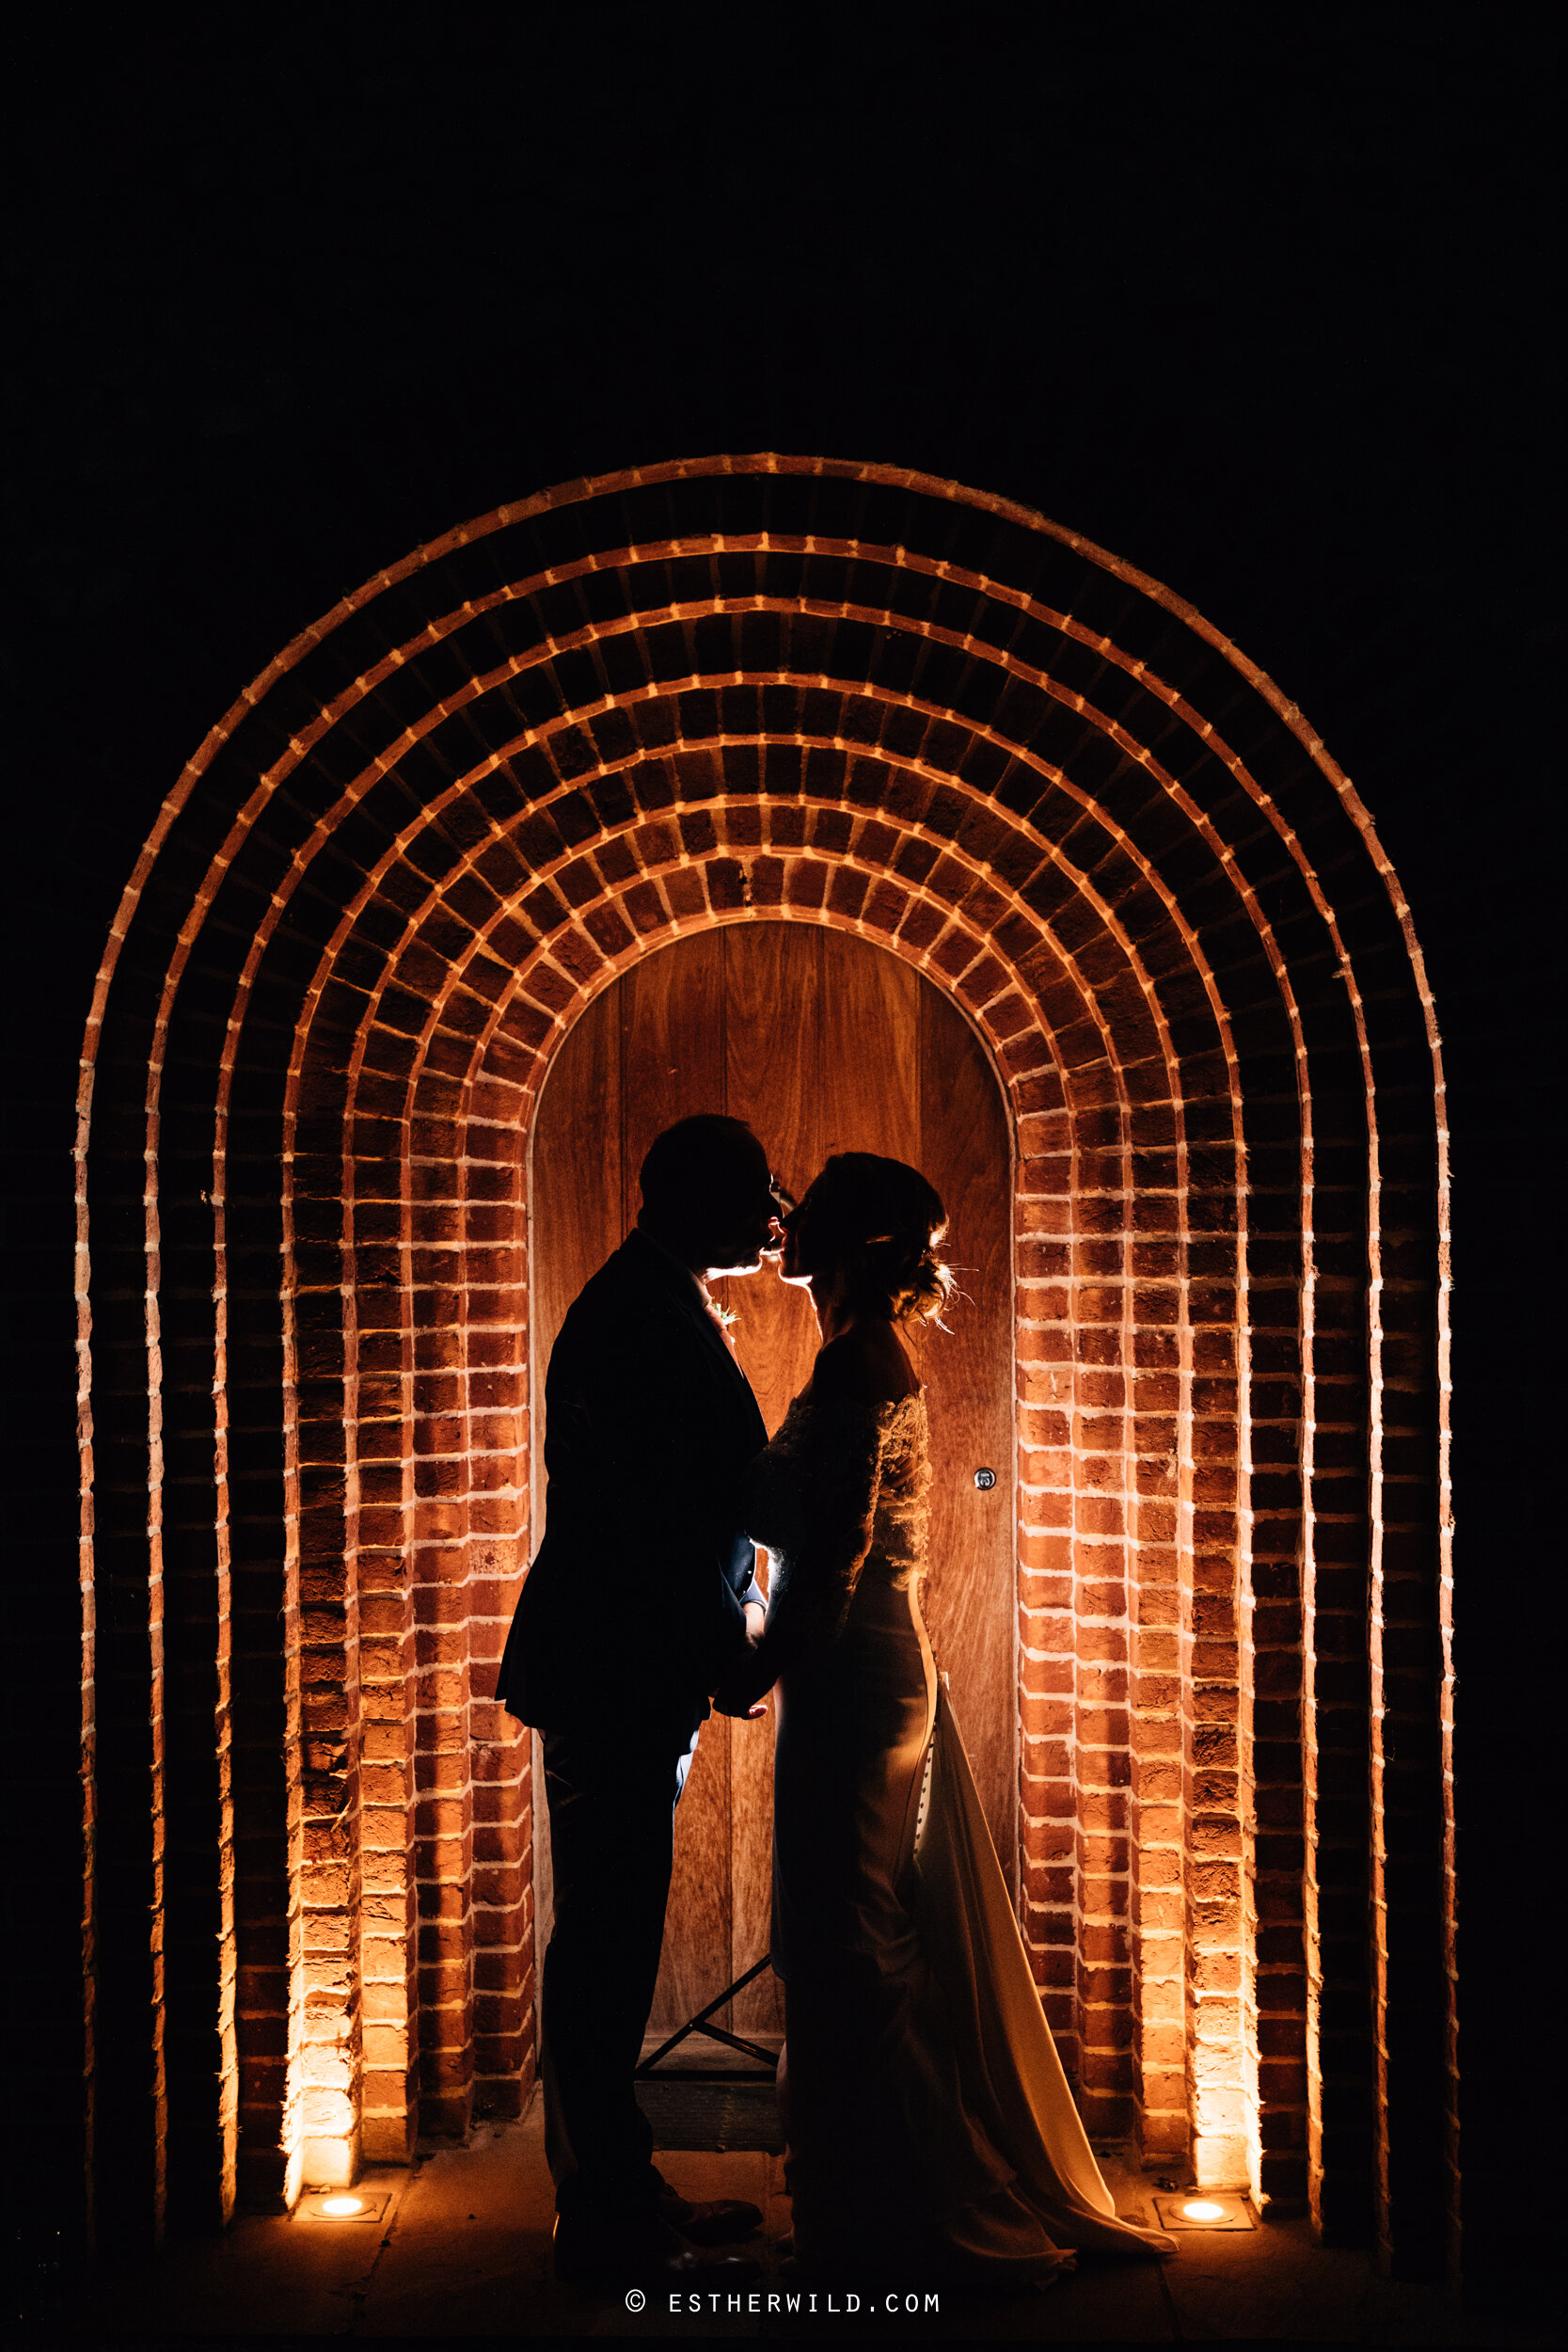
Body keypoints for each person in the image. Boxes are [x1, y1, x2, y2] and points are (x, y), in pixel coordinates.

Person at [713, 1152, 1174, 2283]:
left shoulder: (864, 1365)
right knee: (848, 1935)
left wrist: (751, 1669)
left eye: (805, 1199)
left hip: (856, 1675)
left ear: (852, 1242)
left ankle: (891, 2219)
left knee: (848, 1945)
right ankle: (870, 2207)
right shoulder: (850, 1356)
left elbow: (837, 1558)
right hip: (864, 1670)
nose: (785, 1211)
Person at [495, 1114, 782, 2287]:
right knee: (607, 1941)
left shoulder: (651, 1297)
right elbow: (655, 1523)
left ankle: (618, 2184)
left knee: (610, 1934)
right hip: (616, 1666)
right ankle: (604, 2208)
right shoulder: (639, 1317)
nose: (771, 1216)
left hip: (625, 1662)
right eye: (756, 1193)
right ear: (694, 1196)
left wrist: (735, 1609)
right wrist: (736, 1647)